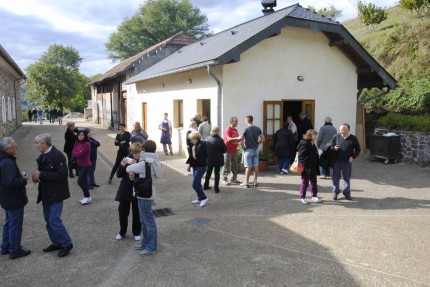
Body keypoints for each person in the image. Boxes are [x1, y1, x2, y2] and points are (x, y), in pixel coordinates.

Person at [32, 133, 73, 257]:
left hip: (56, 193)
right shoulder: (43, 155)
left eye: (37, 143)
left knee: (54, 220)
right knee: (48, 220)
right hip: (46, 193)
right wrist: (37, 178)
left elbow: (62, 175)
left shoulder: (57, 156)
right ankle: (57, 242)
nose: (36, 146)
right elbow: (43, 173)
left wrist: (42, 175)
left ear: (44, 144)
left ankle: (67, 243)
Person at [126, 140, 163, 256]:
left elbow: (128, 168)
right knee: (144, 220)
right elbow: (158, 174)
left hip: (144, 194)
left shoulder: (145, 162)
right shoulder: (155, 160)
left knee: (148, 221)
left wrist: (129, 163)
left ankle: (151, 247)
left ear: (144, 150)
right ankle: (145, 242)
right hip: (147, 192)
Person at [0, 137, 31, 259]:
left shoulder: (4, 159)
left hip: (6, 197)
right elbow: (11, 183)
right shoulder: (7, 162)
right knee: (15, 224)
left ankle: (6, 246)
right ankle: (15, 249)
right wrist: (23, 180)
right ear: (8, 149)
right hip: (13, 198)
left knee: (9, 223)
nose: (16, 148)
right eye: (14, 146)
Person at [324, 123, 361, 200]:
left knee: (346, 178)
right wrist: (334, 148)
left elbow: (358, 149)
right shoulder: (336, 136)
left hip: (347, 162)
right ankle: (335, 192)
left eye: (343, 129)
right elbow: (328, 145)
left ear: (348, 130)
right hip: (336, 161)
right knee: (335, 178)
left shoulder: (353, 138)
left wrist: (353, 157)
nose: (341, 131)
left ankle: (347, 194)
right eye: (340, 129)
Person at [114, 143, 142, 241]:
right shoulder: (127, 159)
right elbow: (118, 175)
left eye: (139, 152)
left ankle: (137, 232)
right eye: (135, 153)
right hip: (126, 189)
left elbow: (145, 176)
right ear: (131, 152)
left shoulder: (142, 161)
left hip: (138, 190)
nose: (137, 155)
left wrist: (135, 175)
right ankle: (122, 231)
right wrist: (122, 165)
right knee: (122, 212)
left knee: (137, 213)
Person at [239, 115, 265, 188]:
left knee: (248, 166)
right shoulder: (257, 128)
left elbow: (241, 140)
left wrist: (243, 147)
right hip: (255, 149)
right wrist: (258, 143)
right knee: (256, 165)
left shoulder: (245, 128)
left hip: (248, 149)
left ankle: (246, 182)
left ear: (247, 120)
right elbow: (263, 139)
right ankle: (255, 181)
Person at [297, 130, 321, 205]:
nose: (316, 137)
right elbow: (301, 156)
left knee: (314, 182)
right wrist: (306, 166)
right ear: (310, 136)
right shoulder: (305, 143)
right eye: (315, 135)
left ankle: (314, 195)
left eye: (316, 135)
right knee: (305, 182)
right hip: (306, 167)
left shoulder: (312, 143)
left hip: (313, 166)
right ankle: (302, 197)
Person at [186, 131, 208, 207]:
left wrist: (193, 150)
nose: (191, 141)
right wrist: (189, 166)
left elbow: (199, 158)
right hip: (196, 166)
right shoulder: (195, 145)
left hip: (201, 167)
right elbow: (192, 157)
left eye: (191, 139)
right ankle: (200, 198)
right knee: (198, 183)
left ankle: (204, 198)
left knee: (194, 184)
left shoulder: (201, 145)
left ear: (195, 138)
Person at [203, 127, 227, 193]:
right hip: (218, 159)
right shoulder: (220, 140)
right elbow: (225, 150)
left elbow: (205, 149)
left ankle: (205, 185)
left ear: (211, 131)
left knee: (208, 172)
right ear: (218, 131)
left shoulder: (207, 139)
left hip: (209, 158)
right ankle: (216, 188)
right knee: (217, 173)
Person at [72, 130, 92, 205]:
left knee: (79, 181)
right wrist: (77, 153)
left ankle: (87, 196)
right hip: (79, 165)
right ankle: (86, 197)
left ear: (85, 136)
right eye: (79, 135)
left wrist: (77, 153)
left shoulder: (87, 144)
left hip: (86, 165)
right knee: (83, 181)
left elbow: (80, 154)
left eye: (82, 135)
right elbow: (73, 153)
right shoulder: (76, 142)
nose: (80, 136)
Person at [223, 117, 241, 185]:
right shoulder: (228, 129)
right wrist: (237, 138)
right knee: (226, 165)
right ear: (231, 122)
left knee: (234, 165)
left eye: (237, 121)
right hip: (228, 150)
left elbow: (237, 139)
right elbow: (228, 139)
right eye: (235, 121)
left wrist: (240, 138)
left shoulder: (235, 130)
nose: (237, 122)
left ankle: (234, 178)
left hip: (234, 150)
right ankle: (224, 178)